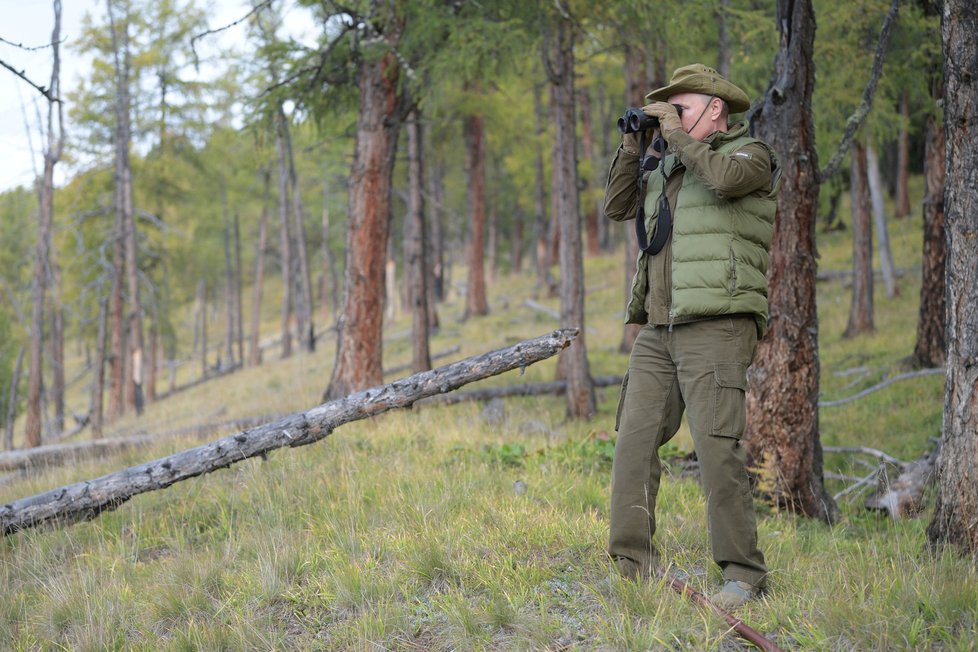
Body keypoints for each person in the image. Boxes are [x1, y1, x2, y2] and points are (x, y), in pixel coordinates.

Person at [603, 63, 781, 610]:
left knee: (716, 447)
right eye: (667, 110)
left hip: (719, 323)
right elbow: (616, 207)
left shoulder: (750, 156)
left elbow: (724, 181)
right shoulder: (667, 164)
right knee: (633, 442)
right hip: (660, 325)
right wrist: (636, 148)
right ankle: (632, 565)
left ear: (715, 109)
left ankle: (743, 574)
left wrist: (676, 138)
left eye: (679, 108)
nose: (669, 118)